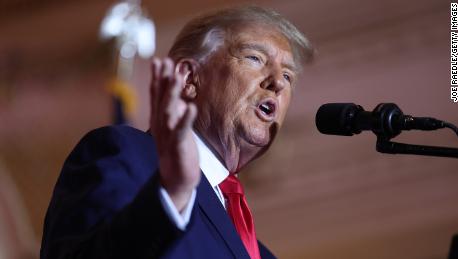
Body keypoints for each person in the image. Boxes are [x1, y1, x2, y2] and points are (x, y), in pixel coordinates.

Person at [40, 6, 313, 259]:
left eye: (288, 76)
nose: (277, 82)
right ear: (189, 78)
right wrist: (171, 197)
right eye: (254, 58)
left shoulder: (261, 254)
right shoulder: (125, 153)